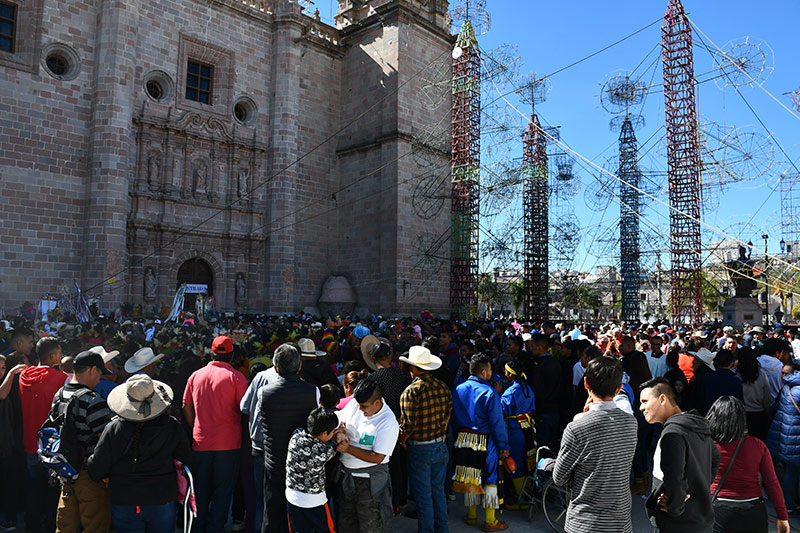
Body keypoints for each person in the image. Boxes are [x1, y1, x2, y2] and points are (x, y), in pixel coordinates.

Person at [87, 374, 192, 532]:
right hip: (161, 497)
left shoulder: (113, 428)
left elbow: (97, 468)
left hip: (124, 499)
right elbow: (186, 460)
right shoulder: (172, 427)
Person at [553, 357, 637, 533]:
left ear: (585, 383)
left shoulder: (576, 428)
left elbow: (559, 477)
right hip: (620, 522)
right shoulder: (631, 423)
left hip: (585, 523)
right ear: (619, 387)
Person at [182, 335, 247, 533]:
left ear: (211, 353)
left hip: (201, 442)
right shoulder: (236, 377)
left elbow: (185, 406)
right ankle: (215, 528)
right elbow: (244, 410)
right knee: (223, 491)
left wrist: (196, 426)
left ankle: (198, 527)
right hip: (229, 444)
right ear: (232, 355)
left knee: (200, 489)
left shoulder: (196, 375)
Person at [640, 377, 719, 533]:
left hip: (678, 524)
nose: (641, 408)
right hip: (699, 521)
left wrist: (675, 506)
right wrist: (694, 490)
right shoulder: (694, 424)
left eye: (644, 401)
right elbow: (715, 460)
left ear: (662, 399)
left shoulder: (673, 433)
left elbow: (674, 476)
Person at [705, 396, 790, 533]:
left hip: (719, 508)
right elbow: (772, 483)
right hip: (753, 510)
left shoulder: (706, 445)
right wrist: (782, 516)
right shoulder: (758, 445)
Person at [259, 343, 319, 533]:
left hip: (274, 461)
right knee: (296, 516)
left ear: (275, 368)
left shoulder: (264, 392)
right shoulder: (312, 391)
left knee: (272, 512)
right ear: (299, 365)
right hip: (300, 463)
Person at [55, 350, 114, 533]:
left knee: (66, 526)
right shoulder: (93, 399)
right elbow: (105, 441)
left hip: (66, 471)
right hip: (89, 475)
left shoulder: (60, 394)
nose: (100, 379)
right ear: (93, 370)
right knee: (96, 525)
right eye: (100, 374)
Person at [452, 353, 510, 532]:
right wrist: (504, 445)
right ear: (484, 372)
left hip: (463, 439)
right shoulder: (490, 392)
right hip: (485, 440)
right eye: (490, 370)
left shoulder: (458, 389)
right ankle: (490, 520)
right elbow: (497, 422)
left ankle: (471, 515)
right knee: (490, 479)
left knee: (470, 477)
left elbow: (453, 418)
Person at [398, 345, 452, 533]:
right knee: (438, 492)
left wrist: (402, 440)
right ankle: (442, 529)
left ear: (413, 368)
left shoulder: (411, 392)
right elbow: (447, 414)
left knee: (424, 496)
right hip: (439, 445)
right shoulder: (442, 387)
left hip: (420, 448)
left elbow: (408, 425)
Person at [336, 378, 399, 533]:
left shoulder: (388, 422)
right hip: (347, 477)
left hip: (369, 483)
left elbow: (377, 457)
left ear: (377, 403)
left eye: (364, 407)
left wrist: (348, 448)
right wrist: (341, 427)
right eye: (358, 405)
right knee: (346, 524)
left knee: (370, 526)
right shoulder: (355, 404)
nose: (360, 409)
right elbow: (341, 416)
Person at [19, 337, 67, 533]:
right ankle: (49, 527)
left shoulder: (23, 376)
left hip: (30, 442)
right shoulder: (62, 379)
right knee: (52, 492)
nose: (61, 355)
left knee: (32, 489)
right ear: (52, 356)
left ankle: (31, 527)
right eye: (59, 352)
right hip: (52, 444)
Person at [285, 408, 347, 533]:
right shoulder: (324, 451)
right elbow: (336, 443)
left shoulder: (295, 436)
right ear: (324, 433)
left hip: (292, 497)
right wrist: (340, 433)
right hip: (314, 501)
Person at [766, 361, 800, 516]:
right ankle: (789, 504)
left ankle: (788, 503)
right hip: (795, 439)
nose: (783, 376)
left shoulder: (787, 387)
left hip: (785, 437)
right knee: (792, 473)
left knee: (790, 472)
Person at [500, 359, 535, 505]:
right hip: (527, 428)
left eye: (507, 371)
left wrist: (497, 394)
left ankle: (520, 498)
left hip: (514, 430)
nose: (505, 373)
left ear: (511, 374)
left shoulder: (511, 391)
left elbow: (503, 409)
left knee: (515, 462)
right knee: (527, 458)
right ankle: (528, 493)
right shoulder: (527, 388)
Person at [528, 334, 561, 448]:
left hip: (544, 413)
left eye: (532, 346)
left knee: (543, 448)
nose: (530, 349)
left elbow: (539, 391)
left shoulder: (542, 366)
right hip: (554, 411)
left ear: (540, 347)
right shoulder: (555, 363)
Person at [735, 347, 772, 441]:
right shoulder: (762, 375)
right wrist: (768, 414)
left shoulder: (735, 375)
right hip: (758, 415)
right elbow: (767, 398)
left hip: (740, 415)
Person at [699, 349, 743, 415]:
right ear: (732, 363)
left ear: (715, 362)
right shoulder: (736, 381)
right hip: (729, 416)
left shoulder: (706, 378)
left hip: (710, 414)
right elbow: (739, 404)